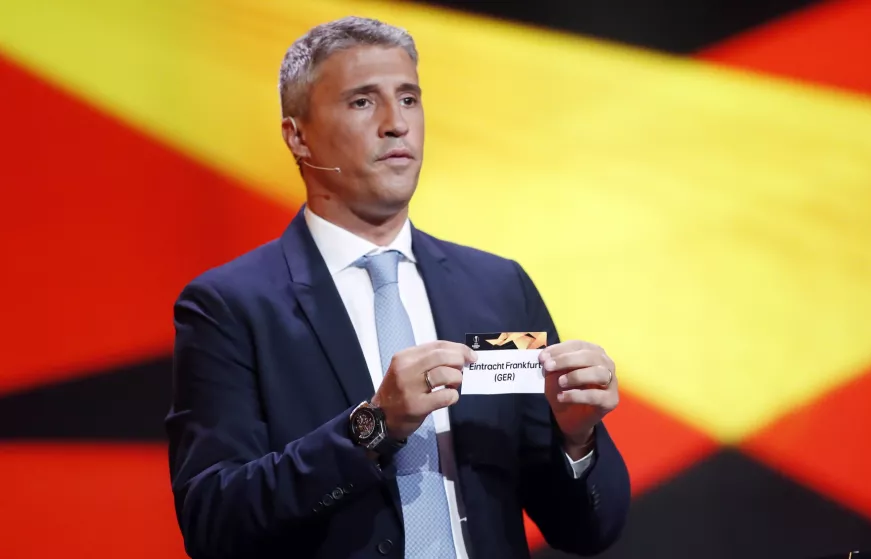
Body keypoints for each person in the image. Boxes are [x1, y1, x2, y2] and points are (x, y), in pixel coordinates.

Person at [165, 15, 630, 559]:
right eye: (363, 102)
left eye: (409, 99)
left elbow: (586, 532)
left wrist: (576, 439)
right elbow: (214, 522)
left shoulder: (496, 286)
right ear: (298, 136)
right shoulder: (230, 307)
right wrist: (375, 425)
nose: (396, 123)